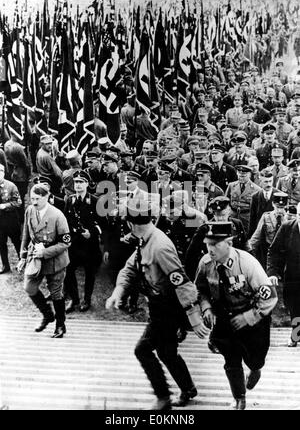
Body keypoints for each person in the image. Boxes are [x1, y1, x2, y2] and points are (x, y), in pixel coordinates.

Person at [106, 198, 210, 410]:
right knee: (166, 352)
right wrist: (119, 289)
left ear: (131, 224)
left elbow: (182, 282)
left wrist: (194, 318)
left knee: (142, 350)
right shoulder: (145, 238)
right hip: (158, 305)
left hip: (168, 308)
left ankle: (163, 398)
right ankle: (188, 388)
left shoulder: (159, 246)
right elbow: (131, 267)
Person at [196, 222, 278, 409]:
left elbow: (270, 297)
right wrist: (206, 307)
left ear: (229, 243)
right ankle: (239, 398)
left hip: (254, 316)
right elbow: (200, 289)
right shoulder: (205, 263)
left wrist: (248, 317)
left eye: (215, 244)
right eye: (208, 244)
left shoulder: (247, 263)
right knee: (231, 360)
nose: (210, 249)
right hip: (225, 317)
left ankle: (256, 369)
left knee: (255, 359)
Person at [17, 183, 71, 338]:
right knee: (29, 287)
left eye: (38, 198)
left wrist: (45, 252)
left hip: (55, 260)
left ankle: (60, 325)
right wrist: (23, 256)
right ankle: (47, 315)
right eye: (32, 198)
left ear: (47, 197)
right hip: (35, 259)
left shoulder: (57, 215)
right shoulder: (30, 211)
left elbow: (66, 242)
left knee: (56, 293)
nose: (34, 202)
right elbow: (26, 234)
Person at [64, 170, 102, 313]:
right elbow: (66, 221)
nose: (78, 185)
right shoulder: (70, 200)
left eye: (81, 182)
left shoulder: (94, 201)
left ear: (87, 184)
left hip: (89, 244)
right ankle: (74, 299)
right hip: (74, 243)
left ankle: (87, 299)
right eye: (76, 182)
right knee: (68, 270)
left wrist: (91, 233)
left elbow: (102, 223)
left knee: (89, 272)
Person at [267, 202, 300, 347]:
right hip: (293, 277)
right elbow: (274, 252)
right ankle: (296, 335)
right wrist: (273, 272)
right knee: (295, 308)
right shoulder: (287, 228)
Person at [249, 193, 289, 269]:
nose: (280, 210)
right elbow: (255, 238)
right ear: (273, 204)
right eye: (277, 207)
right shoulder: (266, 217)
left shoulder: (290, 219)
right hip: (269, 254)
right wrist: (248, 252)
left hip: (285, 255)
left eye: (282, 207)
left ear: (286, 206)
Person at [225, 165, 262, 232]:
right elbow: (226, 200)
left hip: (247, 217)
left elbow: (258, 208)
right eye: (239, 176)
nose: (240, 178)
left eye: (243, 176)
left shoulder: (257, 189)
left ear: (249, 175)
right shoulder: (231, 185)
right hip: (233, 216)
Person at [0, 163, 22, 273]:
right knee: (1, 243)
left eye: (1, 171)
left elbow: (18, 203)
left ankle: (22, 262)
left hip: (11, 219)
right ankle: (5, 265)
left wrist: (5, 206)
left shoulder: (11, 186)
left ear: (4, 173)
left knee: (17, 241)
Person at [248, 169, 280, 238]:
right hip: (260, 234)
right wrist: (251, 237)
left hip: (274, 235)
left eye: (270, 181)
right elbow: (252, 219)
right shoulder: (255, 197)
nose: (268, 184)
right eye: (265, 182)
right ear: (260, 182)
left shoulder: (279, 195)